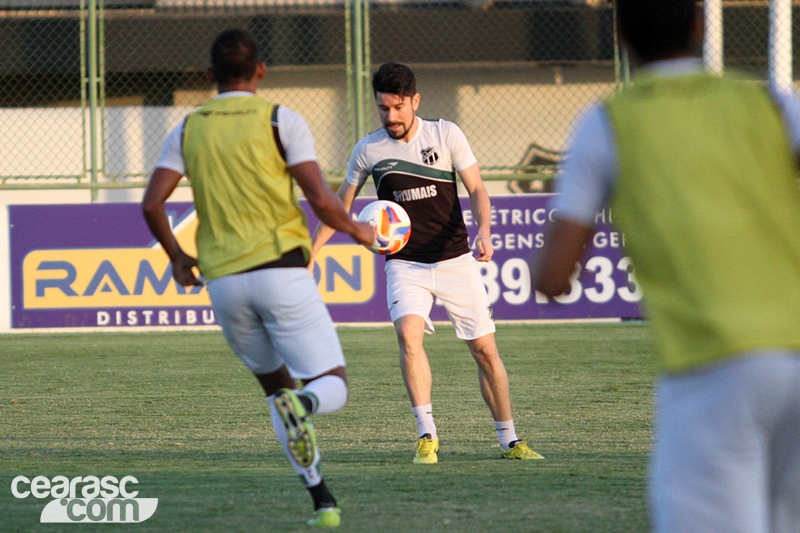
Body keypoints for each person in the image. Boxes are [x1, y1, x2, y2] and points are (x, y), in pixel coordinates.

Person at [531, 1, 800, 531]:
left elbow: (552, 276)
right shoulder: (771, 104)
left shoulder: (609, 123)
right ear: (700, 25)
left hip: (710, 365)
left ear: (621, 32)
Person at [141, 29, 374, 528]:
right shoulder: (280, 119)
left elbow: (151, 203)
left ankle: (322, 501)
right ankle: (306, 402)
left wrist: (178, 258)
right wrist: (358, 230)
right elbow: (321, 199)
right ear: (261, 71)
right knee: (331, 386)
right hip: (280, 273)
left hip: (224, 284)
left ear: (209, 77)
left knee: (274, 389)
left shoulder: (187, 128)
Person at [311, 62, 543, 464]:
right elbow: (339, 208)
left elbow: (476, 188)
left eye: (399, 107)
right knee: (409, 336)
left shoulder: (446, 134)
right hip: (404, 263)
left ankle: (510, 439)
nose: (391, 117)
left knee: (486, 351)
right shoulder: (368, 150)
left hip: (455, 259)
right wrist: (311, 257)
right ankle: (427, 435)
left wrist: (484, 230)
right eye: (384, 109)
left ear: (415, 101)